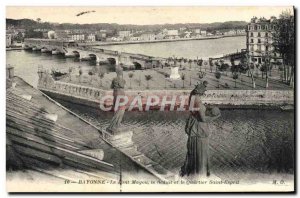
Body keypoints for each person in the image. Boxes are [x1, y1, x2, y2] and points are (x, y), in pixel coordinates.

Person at [180, 82, 221, 178]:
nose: (204, 92)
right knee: (201, 149)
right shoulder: (198, 101)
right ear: (200, 92)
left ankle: (191, 170)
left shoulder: (192, 96)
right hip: (199, 127)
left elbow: (196, 111)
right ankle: (200, 172)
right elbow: (203, 119)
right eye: (204, 91)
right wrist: (216, 117)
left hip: (193, 123)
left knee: (194, 150)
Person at [106, 65, 126, 135]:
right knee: (121, 109)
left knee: (116, 108)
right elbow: (123, 85)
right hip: (121, 94)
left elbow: (111, 86)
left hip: (115, 94)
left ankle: (114, 125)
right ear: (121, 72)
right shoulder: (123, 80)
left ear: (116, 72)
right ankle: (117, 124)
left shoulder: (114, 79)